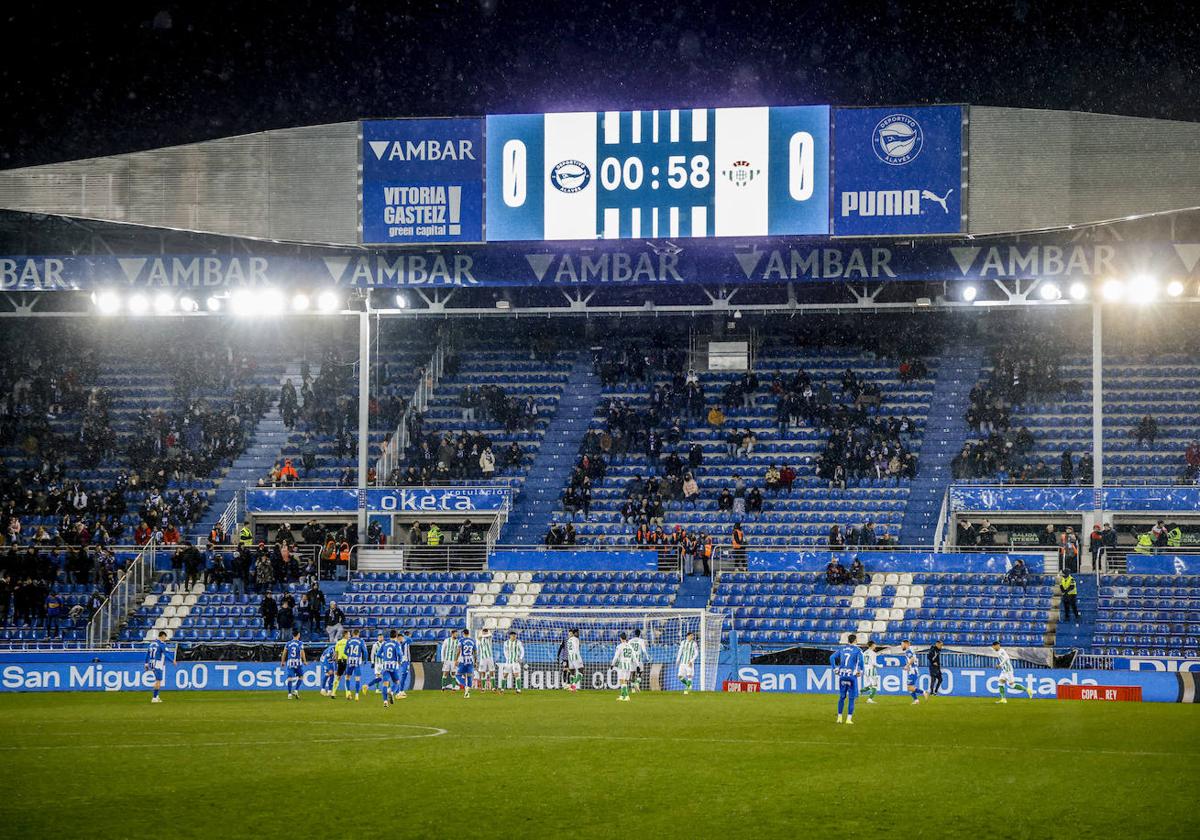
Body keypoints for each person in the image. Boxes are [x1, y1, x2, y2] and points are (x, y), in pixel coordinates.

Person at [830, 633, 864, 724]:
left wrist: (834, 669)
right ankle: (848, 719)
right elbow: (861, 662)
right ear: (855, 640)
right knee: (851, 698)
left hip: (842, 676)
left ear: (848, 641)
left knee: (842, 697)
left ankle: (839, 718)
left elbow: (831, 657)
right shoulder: (858, 650)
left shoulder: (842, 649)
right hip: (851, 677)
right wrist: (861, 671)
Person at [145, 630, 172, 704]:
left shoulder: (151, 644)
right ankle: (154, 697)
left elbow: (147, 654)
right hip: (158, 663)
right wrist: (173, 660)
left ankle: (156, 696)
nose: (165, 639)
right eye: (164, 637)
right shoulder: (162, 644)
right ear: (162, 636)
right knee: (158, 680)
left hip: (151, 663)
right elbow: (166, 654)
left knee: (158, 679)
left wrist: (146, 664)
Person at [378, 630, 403, 707]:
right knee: (397, 682)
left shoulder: (384, 643)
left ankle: (385, 702)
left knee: (385, 684)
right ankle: (391, 692)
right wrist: (400, 661)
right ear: (396, 636)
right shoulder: (396, 643)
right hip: (393, 666)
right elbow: (399, 654)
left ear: (389, 636)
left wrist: (384, 657)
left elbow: (378, 654)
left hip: (385, 666)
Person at [343, 628, 369, 700]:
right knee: (357, 678)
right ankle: (357, 695)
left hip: (350, 661)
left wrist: (349, 655)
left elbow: (345, 651)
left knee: (347, 677)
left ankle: (348, 692)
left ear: (352, 634)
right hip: (357, 661)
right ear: (358, 634)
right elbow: (365, 652)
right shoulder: (361, 641)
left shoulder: (349, 640)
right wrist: (365, 660)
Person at [281, 629, 306, 700]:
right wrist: (304, 661)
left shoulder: (288, 643)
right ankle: (296, 690)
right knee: (301, 677)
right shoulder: (300, 643)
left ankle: (289, 694)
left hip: (290, 662)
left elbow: (284, 653)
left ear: (292, 635)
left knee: (289, 678)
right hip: (298, 662)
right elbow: (302, 652)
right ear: (298, 635)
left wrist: (282, 661)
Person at [900, 639, 926, 704]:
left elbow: (912, 659)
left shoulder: (908, 651)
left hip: (913, 671)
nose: (901, 646)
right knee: (910, 687)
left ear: (906, 644)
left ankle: (924, 693)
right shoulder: (910, 650)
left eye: (902, 645)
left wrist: (907, 665)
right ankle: (916, 700)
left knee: (909, 687)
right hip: (913, 670)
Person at [612, 631, 637, 701]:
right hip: (629, 666)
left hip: (622, 665)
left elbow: (616, 657)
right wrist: (637, 665)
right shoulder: (630, 646)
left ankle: (627, 696)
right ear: (626, 638)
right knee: (625, 681)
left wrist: (612, 664)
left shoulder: (619, 646)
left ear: (620, 638)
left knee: (622, 681)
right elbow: (634, 657)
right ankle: (622, 696)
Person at [456, 628, 477, 698]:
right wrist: (476, 661)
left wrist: (456, 660)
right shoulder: (473, 641)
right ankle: (467, 693)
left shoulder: (461, 640)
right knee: (469, 676)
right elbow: (475, 652)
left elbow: (458, 651)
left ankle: (465, 686)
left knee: (458, 675)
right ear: (468, 633)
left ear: (463, 634)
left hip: (463, 660)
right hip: (470, 660)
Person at [676, 630, 699, 695]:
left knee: (689, 676)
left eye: (693, 635)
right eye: (691, 635)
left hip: (689, 663)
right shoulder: (683, 642)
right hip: (682, 662)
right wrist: (677, 660)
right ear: (688, 636)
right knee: (680, 676)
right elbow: (680, 651)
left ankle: (686, 690)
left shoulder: (694, 643)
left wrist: (691, 660)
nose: (692, 636)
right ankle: (689, 685)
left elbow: (696, 653)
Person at [629, 628, 649, 693]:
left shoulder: (630, 641)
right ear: (639, 634)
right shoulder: (641, 641)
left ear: (634, 634)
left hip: (632, 659)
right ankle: (637, 683)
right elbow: (644, 650)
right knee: (640, 672)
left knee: (632, 673)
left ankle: (633, 690)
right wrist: (647, 657)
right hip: (639, 659)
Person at [477, 627, 497, 692]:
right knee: (483, 672)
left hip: (490, 657)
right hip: (482, 658)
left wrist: (483, 635)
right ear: (482, 632)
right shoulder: (479, 639)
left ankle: (493, 687)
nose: (485, 633)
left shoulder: (489, 638)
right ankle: (483, 688)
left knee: (492, 672)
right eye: (484, 632)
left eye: (486, 632)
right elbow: (478, 640)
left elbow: (490, 634)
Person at [565, 627, 584, 692]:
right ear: (575, 633)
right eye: (578, 632)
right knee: (581, 672)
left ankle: (570, 686)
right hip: (575, 656)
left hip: (570, 657)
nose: (579, 634)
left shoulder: (569, 640)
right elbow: (576, 649)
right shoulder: (576, 639)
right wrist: (579, 658)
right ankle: (573, 686)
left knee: (572, 673)